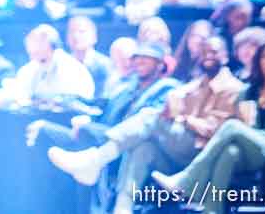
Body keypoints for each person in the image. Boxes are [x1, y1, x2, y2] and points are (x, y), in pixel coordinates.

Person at [48, 36, 243, 214]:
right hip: (176, 146)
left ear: (226, 56)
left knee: (150, 116)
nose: (208, 56)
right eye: (205, 52)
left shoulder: (233, 87)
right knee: (143, 148)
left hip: (204, 150)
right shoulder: (193, 85)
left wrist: (183, 118)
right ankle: (122, 208)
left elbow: (217, 129)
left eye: (214, 52)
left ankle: (96, 160)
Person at [152, 40, 265, 214]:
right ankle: (212, 210)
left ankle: (187, 179)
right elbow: (241, 120)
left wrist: (250, 133)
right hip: (246, 150)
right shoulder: (247, 91)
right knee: (230, 152)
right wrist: (246, 132)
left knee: (232, 126)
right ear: (259, 61)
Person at [26, 42, 179, 214]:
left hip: (131, 143)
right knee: (44, 131)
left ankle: (88, 200)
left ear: (160, 64)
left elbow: (152, 121)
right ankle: (51, 206)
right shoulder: (126, 88)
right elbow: (99, 105)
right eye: (137, 58)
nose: (140, 62)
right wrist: (63, 100)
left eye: (146, 58)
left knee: (87, 132)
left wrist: (88, 126)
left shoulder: (167, 88)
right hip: (103, 132)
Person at [0, 24, 95, 109]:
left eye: (36, 45)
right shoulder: (30, 68)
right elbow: (19, 93)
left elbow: (71, 100)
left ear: (50, 44)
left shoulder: (70, 68)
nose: (32, 52)